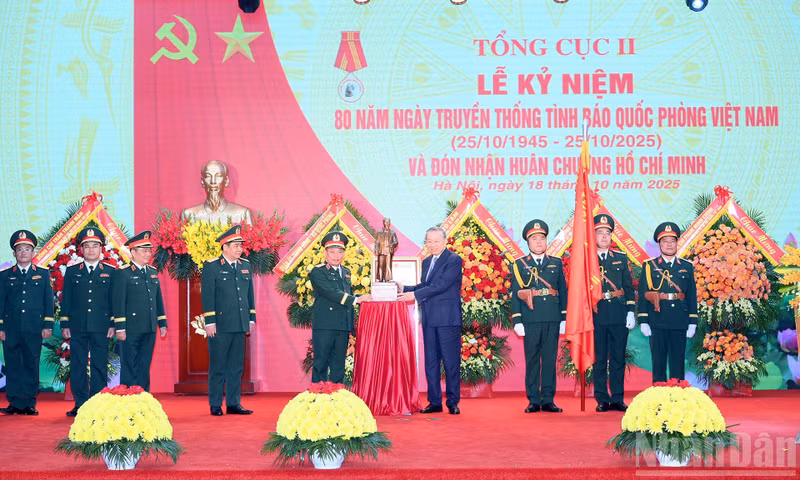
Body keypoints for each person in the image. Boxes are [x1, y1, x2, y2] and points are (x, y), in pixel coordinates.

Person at [397, 226, 463, 415]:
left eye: (436, 241)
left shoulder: (453, 260)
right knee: (431, 361)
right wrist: (406, 288)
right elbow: (426, 285)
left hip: (447, 318)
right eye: (429, 241)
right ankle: (434, 401)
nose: (432, 245)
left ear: (444, 241)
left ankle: (452, 401)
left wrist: (414, 296)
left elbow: (441, 285)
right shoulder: (426, 262)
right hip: (429, 317)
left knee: (451, 362)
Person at [510, 220, 567, 413]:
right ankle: (534, 399)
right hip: (531, 318)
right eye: (534, 239)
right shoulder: (519, 265)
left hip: (552, 317)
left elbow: (563, 292)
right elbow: (516, 292)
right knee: (532, 359)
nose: (539, 242)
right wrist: (517, 319)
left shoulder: (556, 263)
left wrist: (564, 318)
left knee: (550, 360)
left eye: (542, 238)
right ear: (528, 242)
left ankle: (549, 399)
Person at [61, 227, 116, 417]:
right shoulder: (72, 271)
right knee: (78, 364)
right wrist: (65, 324)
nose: (91, 250)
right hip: (77, 326)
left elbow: (114, 300)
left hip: (101, 327)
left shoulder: (110, 271)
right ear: (81, 250)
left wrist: (113, 323)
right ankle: (81, 404)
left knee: (99, 364)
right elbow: (66, 299)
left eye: (95, 246)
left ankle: (97, 403)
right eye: (87, 246)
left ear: (101, 249)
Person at [201, 225, 256, 416]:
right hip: (221, 325)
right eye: (235, 246)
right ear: (224, 247)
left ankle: (233, 403)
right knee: (218, 366)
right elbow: (207, 296)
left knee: (236, 366)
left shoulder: (245, 266)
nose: (239, 249)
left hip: (240, 323)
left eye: (240, 246)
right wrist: (209, 322)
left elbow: (250, 295)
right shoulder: (212, 266)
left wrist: (251, 318)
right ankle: (215, 404)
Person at [0, 230, 54, 415]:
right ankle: (14, 401)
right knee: (13, 363)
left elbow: (48, 301)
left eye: (27, 249)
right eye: (19, 249)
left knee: (31, 363)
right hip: (11, 328)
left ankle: (29, 402)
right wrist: (0, 326)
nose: (23, 252)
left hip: (34, 328)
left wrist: (47, 325)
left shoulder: (43, 274)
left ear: (33, 253)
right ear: (14, 253)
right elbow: (1, 302)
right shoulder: (5, 275)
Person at [637, 222, 698, 382]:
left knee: (678, 361)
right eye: (665, 241)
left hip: (680, 320)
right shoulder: (650, 266)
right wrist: (643, 320)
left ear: (677, 243)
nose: (669, 244)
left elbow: (691, 296)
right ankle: (659, 396)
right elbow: (643, 294)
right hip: (657, 320)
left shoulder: (687, 266)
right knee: (658, 362)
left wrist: (692, 322)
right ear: (659, 244)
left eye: (672, 241)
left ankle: (677, 396)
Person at [309, 232, 370, 384]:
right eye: (332, 251)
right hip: (325, 325)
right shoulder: (318, 271)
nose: (336, 255)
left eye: (340, 251)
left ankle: (337, 398)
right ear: (325, 253)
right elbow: (331, 292)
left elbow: (346, 293)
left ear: (344, 253)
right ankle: (318, 398)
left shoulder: (347, 272)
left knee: (338, 365)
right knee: (321, 363)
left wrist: (366, 297)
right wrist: (356, 300)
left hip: (342, 325)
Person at [112, 231, 166, 391]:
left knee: (144, 364)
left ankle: (143, 399)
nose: (147, 254)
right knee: (129, 365)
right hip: (130, 328)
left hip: (149, 326)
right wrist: (120, 328)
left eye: (149, 250)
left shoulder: (152, 272)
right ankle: (128, 400)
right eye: (143, 250)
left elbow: (158, 299)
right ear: (132, 252)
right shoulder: (123, 273)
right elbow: (118, 302)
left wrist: (162, 322)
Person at [591, 215, 635, 413]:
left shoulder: (621, 258)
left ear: (611, 237)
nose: (603, 237)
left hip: (618, 312)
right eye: (599, 233)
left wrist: (630, 312)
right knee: (599, 359)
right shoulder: (587, 260)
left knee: (618, 358)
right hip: (596, 314)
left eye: (607, 233)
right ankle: (602, 399)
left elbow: (628, 287)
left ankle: (617, 398)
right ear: (593, 236)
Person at [181, 160, 252, 224]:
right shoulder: (188, 215)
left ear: (226, 181)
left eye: (218, 176)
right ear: (202, 181)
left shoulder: (242, 214)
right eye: (208, 176)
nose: (213, 181)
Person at [374, 217, 399, 282]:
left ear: (390, 223)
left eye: (388, 222)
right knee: (381, 265)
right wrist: (376, 249)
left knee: (388, 265)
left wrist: (392, 245)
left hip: (388, 251)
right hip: (381, 250)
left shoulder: (392, 232)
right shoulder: (379, 232)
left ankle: (387, 279)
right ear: (383, 223)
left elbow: (396, 241)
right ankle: (380, 278)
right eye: (385, 222)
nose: (387, 223)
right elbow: (377, 241)